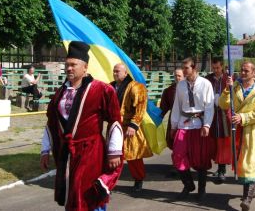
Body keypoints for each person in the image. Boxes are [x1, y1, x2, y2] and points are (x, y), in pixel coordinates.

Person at [40, 41, 123, 211]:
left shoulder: (102, 90)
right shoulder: (59, 94)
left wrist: (114, 152)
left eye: (73, 65)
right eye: (67, 65)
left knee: (89, 194)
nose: (69, 68)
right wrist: (45, 150)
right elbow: (52, 124)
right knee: (72, 194)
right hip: (68, 154)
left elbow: (115, 120)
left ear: (85, 67)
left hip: (91, 151)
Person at [219, 61, 255, 211]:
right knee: (242, 163)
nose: (242, 73)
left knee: (250, 163)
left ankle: (247, 199)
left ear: (254, 72)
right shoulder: (234, 86)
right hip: (237, 131)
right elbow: (223, 104)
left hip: (253, 131)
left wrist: (244, 117)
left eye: (246, 71)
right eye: (241, 70)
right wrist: (227, 90)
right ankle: (252, 189)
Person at [171, 57, 215, 201]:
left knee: (201, 159)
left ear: (194, 68)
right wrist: (173, 125)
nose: (184, 71)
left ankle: (202, 189)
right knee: (178, 155)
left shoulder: (205, 83)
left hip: (199, 125)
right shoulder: (181, 85)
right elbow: (176, 106)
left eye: (186, 68)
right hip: (184, 124)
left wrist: (207, 124)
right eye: (182, 68)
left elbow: (209, 106)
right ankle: (188, 185)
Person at [111, 63, 152, 193]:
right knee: (113, 155)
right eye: (114, 71)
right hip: (115, 126)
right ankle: (109, 181)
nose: (115, 73)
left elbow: (141, 106)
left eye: (118, 71)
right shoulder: (110, 86)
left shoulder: (135, 87)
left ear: (125, 72)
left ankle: (138, 179)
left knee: (134, 156)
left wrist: (134, 124)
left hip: (129, 126)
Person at [205, 57, 231, 184]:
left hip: (224, 115)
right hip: (211, 114)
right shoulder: (207, 79)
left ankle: (222, 169)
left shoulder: (229, 79)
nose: (215, 70)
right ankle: (217, 165)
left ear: (222, 67)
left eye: (218, 68)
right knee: (212, 141)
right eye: (213, 68)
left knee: (223, 142)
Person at [159, 68, 184, 150]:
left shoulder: (190, 88)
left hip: (187, 120)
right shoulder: (168, 91)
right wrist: (157, 118)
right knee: (174, 143)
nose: (177, 78)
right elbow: (163, 108)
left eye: (179, 76)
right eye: (175, 76)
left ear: (184, 76)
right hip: (173, 119)